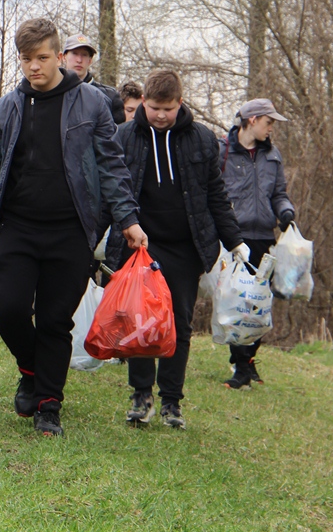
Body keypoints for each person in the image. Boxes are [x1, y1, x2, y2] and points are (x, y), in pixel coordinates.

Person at [0, 18, 147, 438]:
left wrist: (129, 220)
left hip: (70, 230)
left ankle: (49, 404)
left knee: (54, 320)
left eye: (43, 58)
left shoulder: (90, 105)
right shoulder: (6, 108)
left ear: (59, 57)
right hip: (16, 226)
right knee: (8, 307)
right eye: (27, 59)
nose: (34, 67)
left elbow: (111, 168)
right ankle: (31, 370)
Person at [103, 69, 247, 429]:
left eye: (167, 108)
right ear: (143, 105)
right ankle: (141, 395)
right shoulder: (123, 137)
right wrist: (95, 241)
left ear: (180, 103)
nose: (161, 115)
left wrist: (235, 242)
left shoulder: (201, 140)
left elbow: (216, 193)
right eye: (153, 108)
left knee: (178, 324)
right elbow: (110, 193)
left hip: (187, 246)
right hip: (140, 246)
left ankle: (172, 400)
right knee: (139, 321)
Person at [218, 98, 295, 390]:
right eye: (268, 122)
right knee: (240, 303)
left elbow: (279, 193)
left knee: (260, 303)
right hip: (234, 239)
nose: (271, 128)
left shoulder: (272, 155)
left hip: (265, 237)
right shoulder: (223, 152)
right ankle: (240, 365)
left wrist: (286, 212)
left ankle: (248, 360)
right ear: (252, 121)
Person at [62, 33, 125, 124]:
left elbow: (118, 134)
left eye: (84, 55)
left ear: (90, 60)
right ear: (64, 57)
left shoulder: (109, 97)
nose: (79, 60)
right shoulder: (52, 93)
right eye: (74, 53)